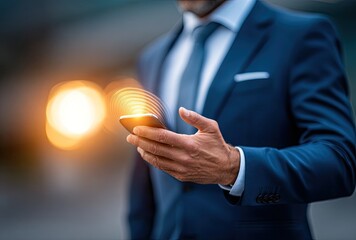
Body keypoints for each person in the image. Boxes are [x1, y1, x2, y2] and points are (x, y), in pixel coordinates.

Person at [126, 0, 356, 239]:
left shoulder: (300, 36)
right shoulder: (152, 57)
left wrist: (234, 167)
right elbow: (144, 190)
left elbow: (339, 162)